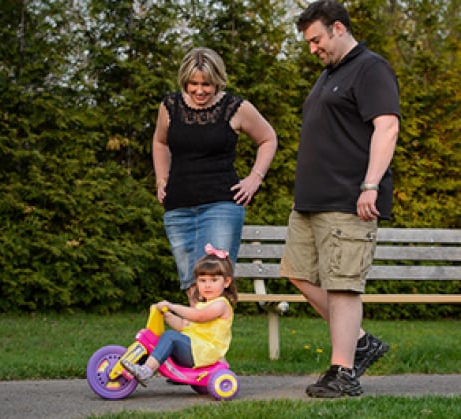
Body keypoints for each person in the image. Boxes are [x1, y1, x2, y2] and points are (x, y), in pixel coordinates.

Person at [280, 0, 400, 398]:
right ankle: (360, 342)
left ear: (337, 28)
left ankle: (343, 371)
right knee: (297, 273)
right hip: (311, 201)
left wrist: (370, 185)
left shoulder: (371, 68)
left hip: (349, 198)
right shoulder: (329, 75)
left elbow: (386, 128)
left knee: (343, 286)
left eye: (316, 40)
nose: (313, 48)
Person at [153, 47, 277, 306]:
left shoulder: (236, 108)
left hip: (221, 206)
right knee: (192, 283)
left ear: (218, 80)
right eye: (193, 84)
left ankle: (213, 344)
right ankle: (201, 345)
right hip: (178, 208)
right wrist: (161, 179)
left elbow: (268, 138)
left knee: (214, 282)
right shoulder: (169, 107)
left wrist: (255, 178)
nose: (199, 91)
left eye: (206, 84)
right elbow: (160, 142)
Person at [121, 244, 237, 385]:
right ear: (196, 282)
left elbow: (199, 316)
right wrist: (167, 315)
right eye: (202, 280)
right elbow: (183, 325)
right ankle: (143, 366)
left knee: (170, 337)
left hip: (204, 352)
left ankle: (146, 370)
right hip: (195, 349)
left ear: (226, 282)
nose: (207, 285)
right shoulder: (202, 304)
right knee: (168, 337)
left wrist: (173, 306)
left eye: (213, 280)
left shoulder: (221, 304)